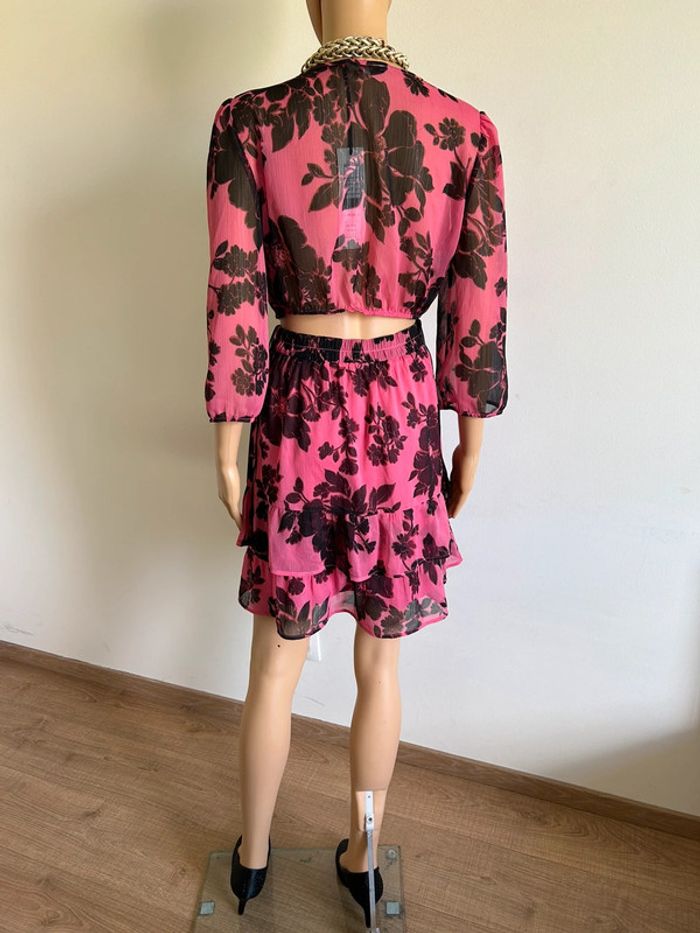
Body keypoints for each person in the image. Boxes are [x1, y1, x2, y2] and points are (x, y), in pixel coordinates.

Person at [203, 0, 508, 923]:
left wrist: (229, 438)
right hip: (401, 409)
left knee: (274, 664)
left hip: (297, 404)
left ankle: (252, 859)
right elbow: (479, 299)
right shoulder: (463, 130)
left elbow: (234, 289)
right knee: (382, 666)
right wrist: (470, 433)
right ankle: (365, 859)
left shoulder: (250, 122)